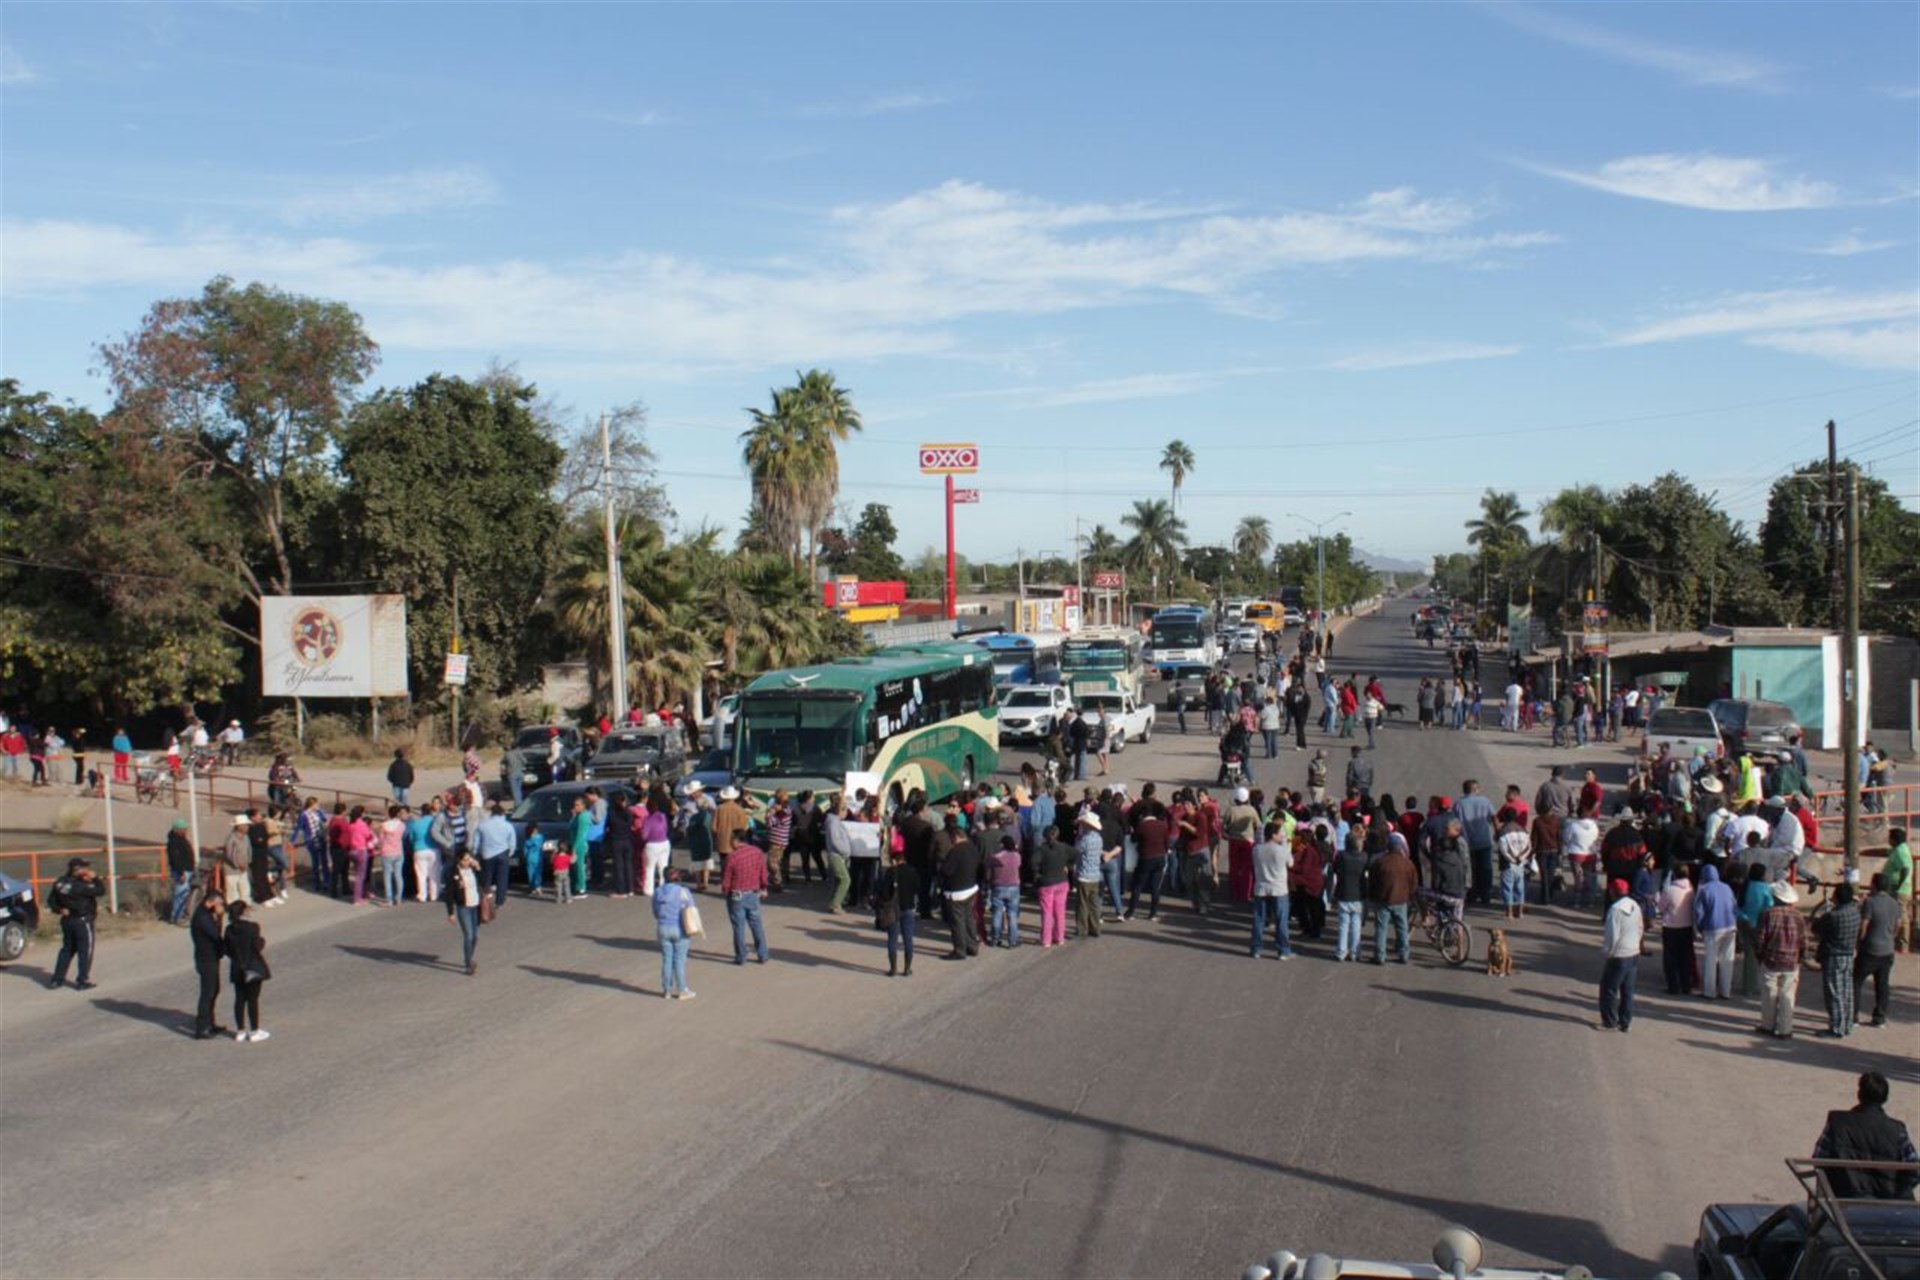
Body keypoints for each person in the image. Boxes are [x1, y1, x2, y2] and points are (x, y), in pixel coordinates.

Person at [1811, 1072, 1920, 1199]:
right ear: (1884, 1098)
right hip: (1889, 1207)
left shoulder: (1837, 1123)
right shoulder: (1897, 1130)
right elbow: (1914, 1169)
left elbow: (1819, 1159)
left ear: (1859, 1095)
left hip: (1843, 1205)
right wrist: (1899, 1194)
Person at [1755, 879, 1805, 1039]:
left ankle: (1767, 1025)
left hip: (1771, 959)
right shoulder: (1798, 916)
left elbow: (1761, 938)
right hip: (1791, 961)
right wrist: (1801, 958)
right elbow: (1803, 940)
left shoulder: (1768, 914)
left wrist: (1759, 955)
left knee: (1769, 994)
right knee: (1787, 996)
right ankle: (1785, 1029)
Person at [45, 857, 104, 990]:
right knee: (85, 951)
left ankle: (57, 980)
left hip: (67, 921)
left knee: (66, 950)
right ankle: (82, 981)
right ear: (77, 870)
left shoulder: (60, 883)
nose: (87, 870)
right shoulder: (82, 886)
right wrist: (95, 879)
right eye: (85, 868)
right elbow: (101, 891)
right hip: (82, 922)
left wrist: (59, 910)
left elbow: (51, 901)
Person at [1813, 881, 1862, 1038]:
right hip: (1848, 955)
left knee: (1834, 992)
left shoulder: (1832, 916)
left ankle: (1836, 1027)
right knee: (1847, 992)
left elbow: (1817, 929)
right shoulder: (1855, 912)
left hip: (1833, 956)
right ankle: (1846, 1024)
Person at [1599, 878, 1643, 1033]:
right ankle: (1625, 1022)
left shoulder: (1615, 910)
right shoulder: (1634, 905)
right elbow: (1640, 927)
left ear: (1613, 892)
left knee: (1609, 989)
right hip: (1633, 952)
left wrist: (1607, 953)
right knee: (1628, 990)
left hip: (1619, 955)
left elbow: (1611, 936)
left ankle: (1610, 1022)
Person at [720, 829, 770, 965]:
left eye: (731, 839)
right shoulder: (757, 852)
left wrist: (725, 891)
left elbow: (726, 879)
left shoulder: (732, 857)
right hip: (753, 893)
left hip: (736, 895)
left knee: (738, 926)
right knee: (756, 924)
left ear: (736, 840)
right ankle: (763, 954)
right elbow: (763, 873)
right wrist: (764, 887)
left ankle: (741, 956)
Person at [1857, 872, 1899, 1028]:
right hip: (1887, 950)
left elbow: (1864, 925)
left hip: (1870, 949)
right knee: (1882, 985)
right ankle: (1879, 1017)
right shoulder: (1894, 903)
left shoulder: (1870, 902)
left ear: (1873, 885)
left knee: (1857, 981)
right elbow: (1897, 925)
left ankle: (1853, 1015)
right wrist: (1891, 938)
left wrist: (1860, 941)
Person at [224, 899, 271, 1041]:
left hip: (237, 967)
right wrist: (262, 940)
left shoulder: (229, 929)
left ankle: (240, 1030)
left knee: (239, 999)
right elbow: (257, 946)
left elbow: (227, 949)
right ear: (243, 911)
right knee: (252, 1000)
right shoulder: (252, 927)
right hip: (252, 966)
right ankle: (254, 1030)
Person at [1369, 833, 1417, 964]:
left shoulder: (1379, 862)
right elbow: (1413, 884)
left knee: (1381, 928)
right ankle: (1404, 954)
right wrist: (1409, 896)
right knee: (1402, 927)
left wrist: (1372, 896)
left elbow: (1372, 881)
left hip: (1382, 899)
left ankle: (1379, 955)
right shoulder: (1408, 864)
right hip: (1401, 900)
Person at [940, 817, 984, 959]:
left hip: (957, 891)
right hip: (971, 888)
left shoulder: (956, 851)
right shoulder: (972, 847)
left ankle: (959, 950)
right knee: (969, 918)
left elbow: (946, 871)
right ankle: (972, 946)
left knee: (957, 922)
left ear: (957, 837)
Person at [1694, 863, 1739, 1000]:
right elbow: (1734, 906)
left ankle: (1710, 991)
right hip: (1730, 926)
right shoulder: (1727, 887)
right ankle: (1726, 991)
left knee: (1711, 960)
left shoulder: (1704, 890)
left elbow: (1699, 912)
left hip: (1713, 928)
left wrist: (1700, 927)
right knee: (1727, 960)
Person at [1250, 822, 1294, 960]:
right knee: (1281, 921)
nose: (1282, 835)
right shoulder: (1282, 850)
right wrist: (1286, 845)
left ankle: (1256, 949)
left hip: (1261, 888)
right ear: (1274, 835)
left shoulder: (1257, 849)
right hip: (1279, 888)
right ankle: (1283, 950)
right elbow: (1291, 863)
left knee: (1259, 919)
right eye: (1280, 833)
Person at [874, 845, 919, 976]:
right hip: (908, 908)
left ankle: (893, 969)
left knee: (892, 939)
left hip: (893, 910)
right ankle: (907, 968)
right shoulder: (912, 871)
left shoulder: (890, 873)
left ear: (894, 860)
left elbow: (884, 893)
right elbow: (917, 888)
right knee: (908, 939)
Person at [652, 866, 697, 999]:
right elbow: (691, 908)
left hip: (663, 928)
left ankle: (667, 990)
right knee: (679, 960)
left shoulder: (658, 892)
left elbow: (655, 912)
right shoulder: (683, 891)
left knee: (667, 960)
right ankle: (682, 989)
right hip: (680, 928)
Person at [190, 894, 228, 1040]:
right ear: (212, 902)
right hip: (206, 959)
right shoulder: (203, 917)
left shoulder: (204, 913)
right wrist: (219, 918)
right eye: (219, 904)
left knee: (214, 990)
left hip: (209, 957)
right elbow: (215, 934)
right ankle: (202, 1027)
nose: (221, 907)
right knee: (207, 993)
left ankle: (210, 1023)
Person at [1657, 865, 1697, 995]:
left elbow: (1661, 908)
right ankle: (1686, 985)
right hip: (1687, 926)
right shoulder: (1691, 889)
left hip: (1671, 927)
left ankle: (1673, 986)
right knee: (1685, 957)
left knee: (1670, 958)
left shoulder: (1669, 890)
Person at [445, 851, 485, 976]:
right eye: (465, 860)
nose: (468, 862)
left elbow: (484, 883)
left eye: (469, 859)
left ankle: (469, 957)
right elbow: (449, 893)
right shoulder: (454, 873)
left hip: (475, 905)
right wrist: (451, 912)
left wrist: (479, 869)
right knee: (468, 935)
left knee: (475, 936)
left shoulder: (473, 870)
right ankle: (468, 964)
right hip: (463, 907)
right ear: (459, 860)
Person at [1034, 823, 1072, 948]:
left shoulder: (1041, 849)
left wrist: (1038, 874)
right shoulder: (1063, 847)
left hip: (1046, 883)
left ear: (1045, 836)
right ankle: (1059, 937)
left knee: (1047, 912)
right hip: (1062, 882)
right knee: (1060, 912)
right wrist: (1068, 866)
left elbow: (1032, 864)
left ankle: (1046, 940)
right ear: (1057, 834)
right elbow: (1077, 855)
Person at [1073, 811, 1110, 939]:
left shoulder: (1085, 840)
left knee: (1082, 904)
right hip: (1095, 875)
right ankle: (1095, 928)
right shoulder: (1098, 838)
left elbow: (1076, 852)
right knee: (1094, 904)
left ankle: (1082, 929)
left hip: (1084, 875)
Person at [1495, 808, 1532, 921]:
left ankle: (1509, 914)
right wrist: (1521, 859)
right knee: (1520, 888)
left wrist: (1512, 859)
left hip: (1508, 864)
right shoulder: (1523, 830)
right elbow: (1528, 847)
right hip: (1520, 864)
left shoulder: (1503, 831)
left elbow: (1503, 850)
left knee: (1508, 889)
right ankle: (1520, 913)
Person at [987, 835, 1022, 947]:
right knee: (1012, 914)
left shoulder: (995, 857)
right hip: (1013, 887)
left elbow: (989, 874)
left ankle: (995, 939)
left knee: (997, 913)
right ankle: (1012, 941)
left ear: (1002, 844)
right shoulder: (1017, 856)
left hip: (998, 887)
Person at [1886, 827, 1913, 953]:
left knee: (1902, 916)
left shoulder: (1901, 851)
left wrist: (1898, 885)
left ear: (1894, 839)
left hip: (1900, 890)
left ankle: (1903, 944)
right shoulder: (1897, 849)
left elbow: (1906, 869)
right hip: (1895, 888)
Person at [166, 817, 196, 926]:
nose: (186, 831)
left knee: (183, 894)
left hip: (186, 870)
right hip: (181, 872)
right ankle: (176, 917)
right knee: (180, 895)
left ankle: (180, 915)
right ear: (178, 830)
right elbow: (175, 859)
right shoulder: (174, 843)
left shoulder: (181, 840)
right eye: (184, 829)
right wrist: (181, 872)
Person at [377, 805, 407, 907]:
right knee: (398, 875)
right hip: (398, 852)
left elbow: (380, 840)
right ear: (398, 814)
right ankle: (398, 898)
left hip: (386, 852)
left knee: (387, 876)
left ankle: (389, 899)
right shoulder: (402, 825)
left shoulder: (383, 825)